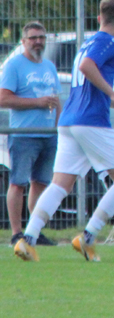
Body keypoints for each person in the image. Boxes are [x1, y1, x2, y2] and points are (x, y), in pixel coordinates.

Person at [14, 0, 114, 263]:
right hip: (90, 120)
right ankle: (88, 237)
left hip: (69, 120)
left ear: (98, 18)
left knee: (60, 184)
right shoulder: (109, 41)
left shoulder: (88, 42)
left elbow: (84, 65)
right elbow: (86, 67)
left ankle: (27, 239)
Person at [0, 22, 61, 247]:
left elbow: (56, 100)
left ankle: (33, 231)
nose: (38, 41)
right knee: (18, 183)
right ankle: (16, 233)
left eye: (42, 37)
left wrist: (58, 128)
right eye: (33, 37)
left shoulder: (49, 67)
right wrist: (37, 102)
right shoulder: (14, 66)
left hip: (48, 135)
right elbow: (3, 99)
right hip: (23, 134)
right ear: (24, 41)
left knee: (41, 183)